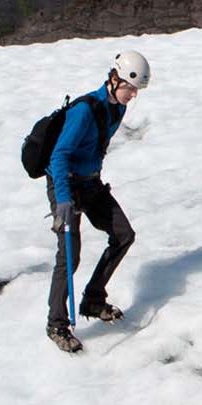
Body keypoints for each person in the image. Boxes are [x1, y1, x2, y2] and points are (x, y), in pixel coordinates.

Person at [46, 51, 150, 354]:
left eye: (136, 91)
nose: (132, 96)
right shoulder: (85, 110)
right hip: (65, 183)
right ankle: (57, 323)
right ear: (114, 78)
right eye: (129, 88)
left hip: (90, 183)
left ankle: (93, 299)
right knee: (69, 256)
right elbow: (59, 155)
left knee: (123, 235)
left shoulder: (116, 108)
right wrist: (63, 200)